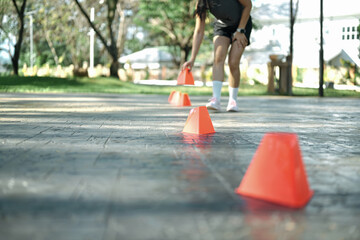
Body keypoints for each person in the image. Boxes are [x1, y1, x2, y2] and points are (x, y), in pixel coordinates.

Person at [182, 0, 252, 112]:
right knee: (218, 57)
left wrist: (240, 30)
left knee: (233, 62)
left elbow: (248, 5)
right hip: (222, 27)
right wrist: (192, 58)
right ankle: (216, 99)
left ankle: (232, 100)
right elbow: (199, 31)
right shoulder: (202, 2)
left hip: (242, 25)